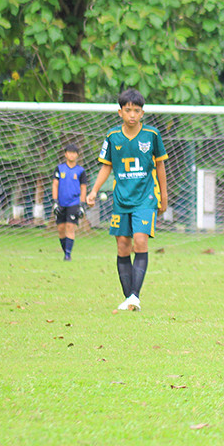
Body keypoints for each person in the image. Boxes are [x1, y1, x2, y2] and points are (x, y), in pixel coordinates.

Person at [86, 89, 168, 312]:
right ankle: (130, 298)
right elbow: (107, 166)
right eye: (128, 110)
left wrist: (164, 196)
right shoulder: (113, 136)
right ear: (120, 112)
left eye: (137, 111)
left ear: (142, 113)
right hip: (121, 199)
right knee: (123, 245)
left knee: (140, 240)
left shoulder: (152, 135)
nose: (132, 115)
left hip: (146, 197)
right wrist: (93, 191)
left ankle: (134, 297)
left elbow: (160, 165)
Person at [51, 143, 88, 260]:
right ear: (65, 154)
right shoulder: (59, 169)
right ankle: (65, 251)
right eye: (69, 153)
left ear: (77, 155)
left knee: (70, 227)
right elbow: (55, 185)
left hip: (74, 203)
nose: (71, 155)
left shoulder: (80, 171)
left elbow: (83, 187)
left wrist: (82, 204)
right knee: (61, 229)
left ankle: (68, 255)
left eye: (74, 153)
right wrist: (55, 201)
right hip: (61, 203)